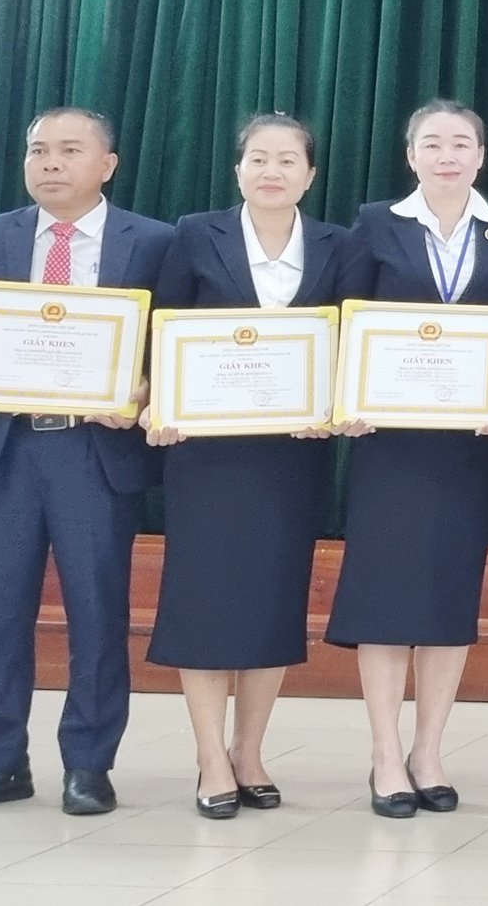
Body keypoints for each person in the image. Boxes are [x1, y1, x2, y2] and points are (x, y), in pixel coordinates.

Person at [145, 113, 367, 819]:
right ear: (237, 169)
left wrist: (341, 402)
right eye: (258, 158)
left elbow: (355, 339)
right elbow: (164, 332)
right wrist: (160, 399)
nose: (272, 171)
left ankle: (250, 752)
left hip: (291, 456)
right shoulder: (194, 234)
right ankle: (211, 757)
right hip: (206, 456)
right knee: (205, 603)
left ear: (310, 174)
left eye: (288, 160)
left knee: (273, 602)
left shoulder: (339, 244)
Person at [0, 108, 174, 817]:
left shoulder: (154, 243)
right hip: (4, 450)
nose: (51, 162)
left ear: (107, 163)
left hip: (93, 451)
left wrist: (141, 391)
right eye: (38, 150)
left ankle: (89, 764)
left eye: (70, 150)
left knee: (98, 614)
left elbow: (170, 344)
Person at [330, 100, 488, 817]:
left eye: (461, 143)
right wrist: (346, 392)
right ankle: (384, 755)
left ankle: (429, 751)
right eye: (432, 142)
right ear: (410, 154)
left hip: (469, 445)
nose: (447, 155)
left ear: (481, 155)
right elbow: (346, 317)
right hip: (389, 444)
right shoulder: (374, 223)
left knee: (449, 599)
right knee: (385, 599)